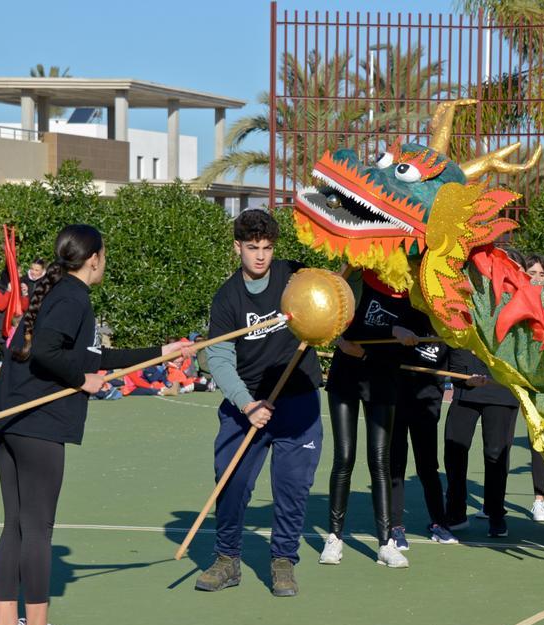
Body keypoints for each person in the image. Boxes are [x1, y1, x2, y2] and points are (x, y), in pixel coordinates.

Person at [0, 224, 189, 625]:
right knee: (37, 529)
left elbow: (93, 358)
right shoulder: (73, 297)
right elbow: (50, 355)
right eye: (105, 254)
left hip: (7, 420)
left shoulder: (56, 292)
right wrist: (81, 382)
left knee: (16, 525)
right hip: (34, 423)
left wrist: (159, 352)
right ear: (93, 257)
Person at [196, 210, 324, 597]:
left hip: (298, 400)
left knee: (292, 487)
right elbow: (218, 359)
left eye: (267, 248)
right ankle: (226, 559)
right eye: (252, 248)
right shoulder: (227, 298)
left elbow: (331, 299)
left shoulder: (294, 277)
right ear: (237, 247)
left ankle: (283, 561)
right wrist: (247, 404)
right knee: (231, 483)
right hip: (246, 405)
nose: (260, 257)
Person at [319, 268, 419, 568]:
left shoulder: (411, 291)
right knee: (344, 457)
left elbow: (410, 341)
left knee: (379, 460)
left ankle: (386, 542)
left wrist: (405, 338)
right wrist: (339, 340)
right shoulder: (358, 278)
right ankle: (334, 537)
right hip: (345, 380)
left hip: (382, 382)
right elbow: (339, 322)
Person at [387, 315, 458, 546]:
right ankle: (395, 526)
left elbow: (455, 369)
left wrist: (473, 379)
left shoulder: (447, 331)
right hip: (397, 402)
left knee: (428, 466)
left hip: (427, 408)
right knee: (396, 464)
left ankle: (439, 523)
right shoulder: (406, 318)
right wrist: (397, 332)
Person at [443, 348, 520, 537]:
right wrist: (463, 376)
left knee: (496, 454)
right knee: (454, 448)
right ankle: (455, 513)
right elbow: (457, 339)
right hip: (466, 390)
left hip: (501, 390)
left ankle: (495, 515)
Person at [522, 252, 544, 523]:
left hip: (540, 381)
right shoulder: (513, 301)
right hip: (512, 377)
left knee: (538, 438)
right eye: (533, 274)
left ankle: (539, 500)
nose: (538, 279)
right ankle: (491, 505)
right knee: (496, 443)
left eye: (542, 274)